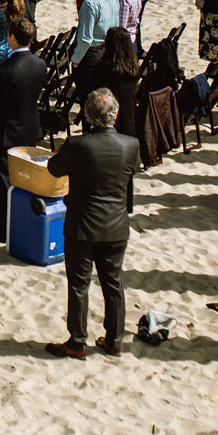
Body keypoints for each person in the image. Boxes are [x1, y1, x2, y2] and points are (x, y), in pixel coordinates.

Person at [43, 87, 140, 359]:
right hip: (116, 225)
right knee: (114, 283)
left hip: (83, 225)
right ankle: (115, 338)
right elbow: (133, 170)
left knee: (79, 285)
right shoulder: (130, 144)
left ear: (87, 116)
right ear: (115, 114)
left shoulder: (78, 145)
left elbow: (53, 168)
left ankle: (78, 340)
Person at [0, 17, 45, 241]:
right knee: (26, 179)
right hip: (29, 128)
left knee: (5, 180)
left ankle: (5, 227)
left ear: (13, 37)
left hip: (6, 130)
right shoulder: (40, 64)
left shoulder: (4, 69)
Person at [81, 28, 142, 142]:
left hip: (108, 119)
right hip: (129, 117)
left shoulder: (104, 68)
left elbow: (90, 92)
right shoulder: (133, 68)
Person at [68, 0, 118, 91]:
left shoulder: (89, 4)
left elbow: (86, 38)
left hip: (91, 55)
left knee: (87, 94)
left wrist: (76, 59)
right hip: (107, 51)